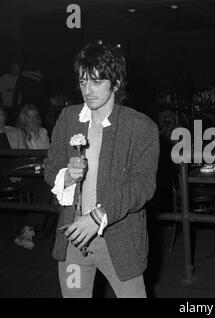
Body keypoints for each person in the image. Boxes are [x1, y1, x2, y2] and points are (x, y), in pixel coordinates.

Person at [43, 40, 159, 298]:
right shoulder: (68, 118)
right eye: (83, 81)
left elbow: (142, 186)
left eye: (96, 82)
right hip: (73, 240)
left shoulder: (141, 127)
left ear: (116, 84)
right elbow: (50, 166)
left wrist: (98, 217)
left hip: (119, 243)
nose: (88, 90)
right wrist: (68, 176)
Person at [13, 104, 50, 250]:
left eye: (36, 116)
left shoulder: (43, 132)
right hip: (26, 172)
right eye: (30, 116)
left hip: (41, 171)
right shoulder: (17, 133)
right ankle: (29, 229)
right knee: (46, 188)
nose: (33, 119)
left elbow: (48, 154)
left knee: (49, 186)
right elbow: (19, 157)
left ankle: (29, 230)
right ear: (24, 118)